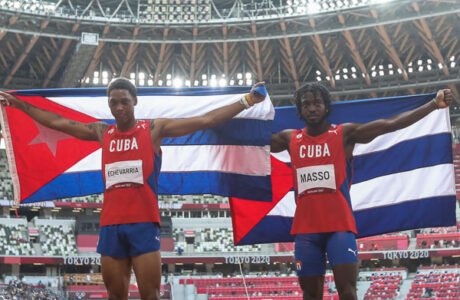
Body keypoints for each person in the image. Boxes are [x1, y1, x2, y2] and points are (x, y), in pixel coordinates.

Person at [0, 78, 266, 300]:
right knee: (116, 296)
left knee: (150, 295)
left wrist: (247, 101)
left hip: (143, 224)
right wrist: (19, 104)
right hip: (110, 226)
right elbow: (57, 122)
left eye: (124, 101)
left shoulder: (153, 129)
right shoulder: (101, 132)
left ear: (135, 101)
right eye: (113, 102)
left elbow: (206, 120)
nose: (119, 107)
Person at [270, 83, 452, 300]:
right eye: (306, 104)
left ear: (326, 107)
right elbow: (249, 143)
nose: (311, 108)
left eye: (317, 103)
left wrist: (433, 105)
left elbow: (389, 124)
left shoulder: (344, 134)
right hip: (306, 231)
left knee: (348, 292)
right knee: (310, 294)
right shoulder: (289, 138)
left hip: (340, 228)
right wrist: (240, 107)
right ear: (299, 110)